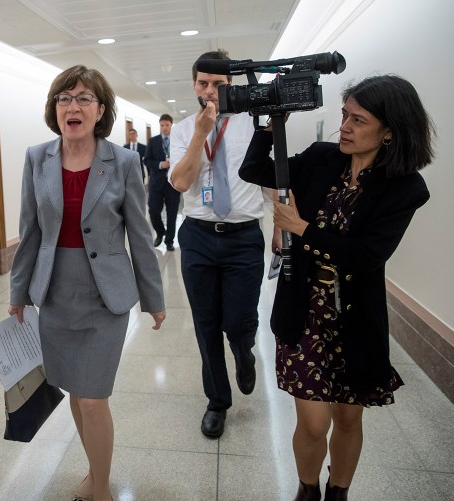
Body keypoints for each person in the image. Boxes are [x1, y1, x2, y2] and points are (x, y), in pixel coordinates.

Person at [239, 75, 433, 501]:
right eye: (344, 115)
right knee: (312, 422)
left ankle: (338, 492)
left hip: (354, 320)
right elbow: (253, 169)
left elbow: (366, 257)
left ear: (389, 132)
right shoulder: (322, 158)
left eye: (357, 119)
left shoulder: (405, 189)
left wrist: (301, 228)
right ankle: (307, 489)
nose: (343, 126)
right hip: (302, 311)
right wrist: (270, 128)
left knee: (348, 419)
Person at [8, 65, 166, 501]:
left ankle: (102, 489)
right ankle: (96, 474)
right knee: (76, 393)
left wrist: (154, 297)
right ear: (53, 108)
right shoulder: (36, 157)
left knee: (94, 397)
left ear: (101, 110)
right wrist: (18, 292)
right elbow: (31, 230)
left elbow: (140, 232)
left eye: (83, 99)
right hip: (55, 293)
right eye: (64, 98)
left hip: (104, 296)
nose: (72, 106)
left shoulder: (125, 161)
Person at [168, 50, 265, 439]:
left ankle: (244, 350)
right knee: (206, 324)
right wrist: (199, 135)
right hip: (198, 238)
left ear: (232, 85)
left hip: (244, 237)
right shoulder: (182, 129)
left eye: (219, 85)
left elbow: (270, 175)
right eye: (203, 83)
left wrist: (278, 225)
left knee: (238, 321)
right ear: (194, 84)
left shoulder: (252, 124)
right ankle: (217, 402)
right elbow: (180, 182)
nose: (210, 91)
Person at [144, 114, 181, 250]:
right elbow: (146, 160)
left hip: (173, 183)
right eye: (162, 125)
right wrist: (160, 164)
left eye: (167, 125)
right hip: (156, 183)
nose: (164, 128)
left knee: (172, 213)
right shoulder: (153, 141)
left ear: (171, 125)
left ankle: (169, 241)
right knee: (153, 210)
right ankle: (160, 232)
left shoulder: (178, 140)